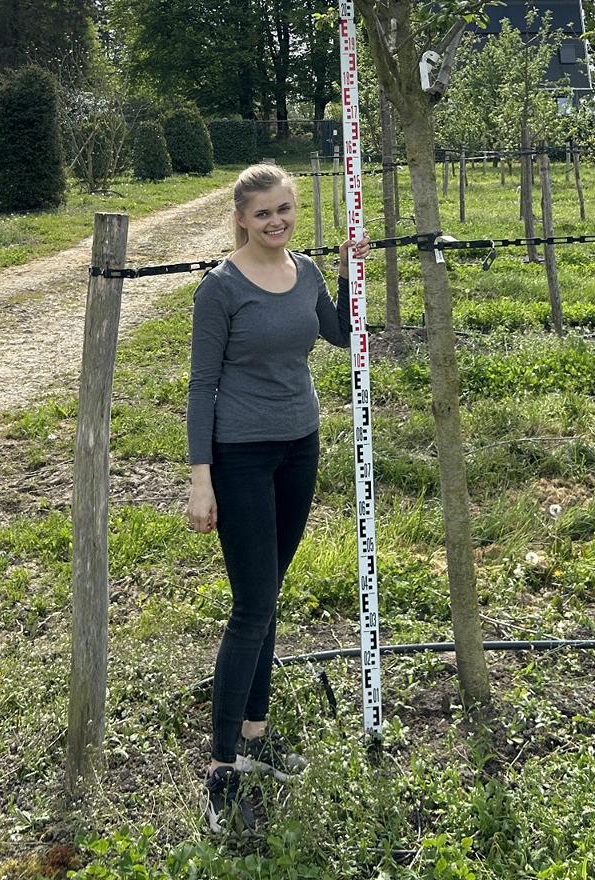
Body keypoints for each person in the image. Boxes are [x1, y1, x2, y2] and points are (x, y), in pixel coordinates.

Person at [185, 162, 367, 836]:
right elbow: (202, 386)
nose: (275, 222)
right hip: (240, 455)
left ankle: (257, 737)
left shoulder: (306, 274)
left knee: (269, 596)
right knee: (252, 606)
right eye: (262, 213)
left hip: (300, 445)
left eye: (284, 210)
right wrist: (199, 476)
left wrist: (350, 271)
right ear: (241, 218)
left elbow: (341, 333)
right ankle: (222, 768)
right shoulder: (220, 290)